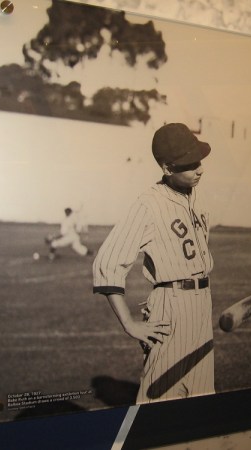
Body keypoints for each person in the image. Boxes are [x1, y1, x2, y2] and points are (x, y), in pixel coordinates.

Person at [92, 123, 214, 404]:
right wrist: (129, 324)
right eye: (189, 164)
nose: (200, 169)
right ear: (167, 168)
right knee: (158, 400)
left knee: (202, 399)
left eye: (199, 160)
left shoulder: (196, 196)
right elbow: (107, 263)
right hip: (170, 306)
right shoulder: (148, 205)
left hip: (202, 303)